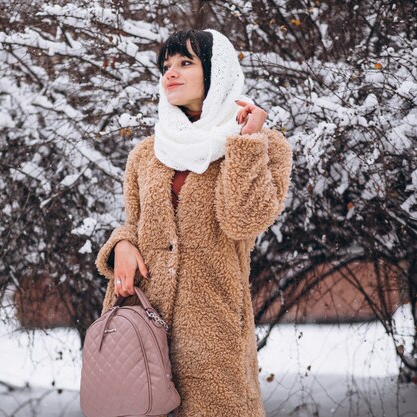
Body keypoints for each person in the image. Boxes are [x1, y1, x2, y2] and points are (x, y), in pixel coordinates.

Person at [94, 29, 293, 417]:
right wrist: (120, 246)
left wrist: (247, 144)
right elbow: (133, 223)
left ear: (217, 72)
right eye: (166, 65)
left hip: (213, 336)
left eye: (186, 63)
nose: (171, 73)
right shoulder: (147, 153)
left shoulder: (263, 145)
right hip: (139, 329)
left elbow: (242, 221)